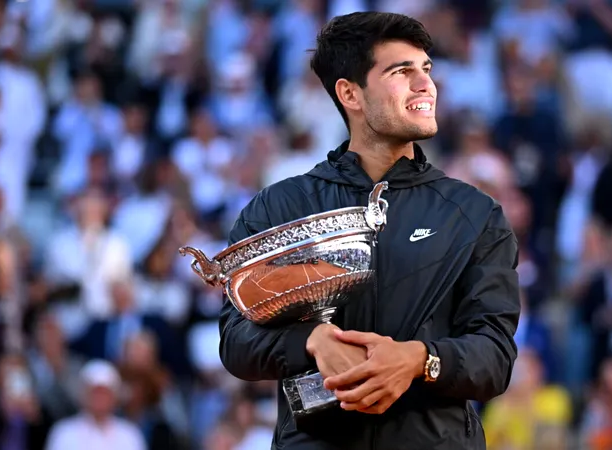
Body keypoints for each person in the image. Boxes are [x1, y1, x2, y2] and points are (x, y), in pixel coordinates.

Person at [218, 11, 520, 450]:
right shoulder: (279, 207)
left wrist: (420, 359)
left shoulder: (475, 214)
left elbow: (495, 356)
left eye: (426, 69)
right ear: (350, 94)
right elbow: (235, 342)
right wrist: (312, 341)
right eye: (402, 71)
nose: (425, 85)